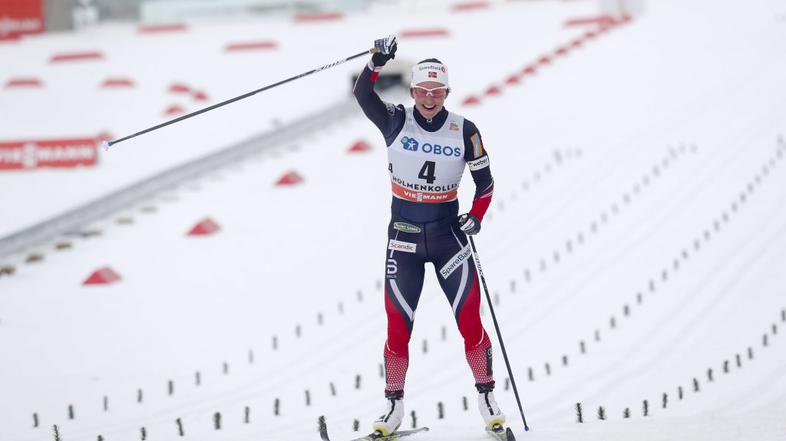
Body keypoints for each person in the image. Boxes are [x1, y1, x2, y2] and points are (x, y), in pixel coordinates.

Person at [353, 35, 505, 436]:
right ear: (412, 90)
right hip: (402, 239)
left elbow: (485, 184)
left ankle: (487, 395)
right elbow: (362, 94)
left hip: (447, 238)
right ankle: (393, 405)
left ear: (447, 92)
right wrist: (376, 62)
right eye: (423, 90)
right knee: (397, 327)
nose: (429, 98)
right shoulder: (395, 119)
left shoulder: (465, 130)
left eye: (437, 91)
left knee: (470, 320)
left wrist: (476, 216)